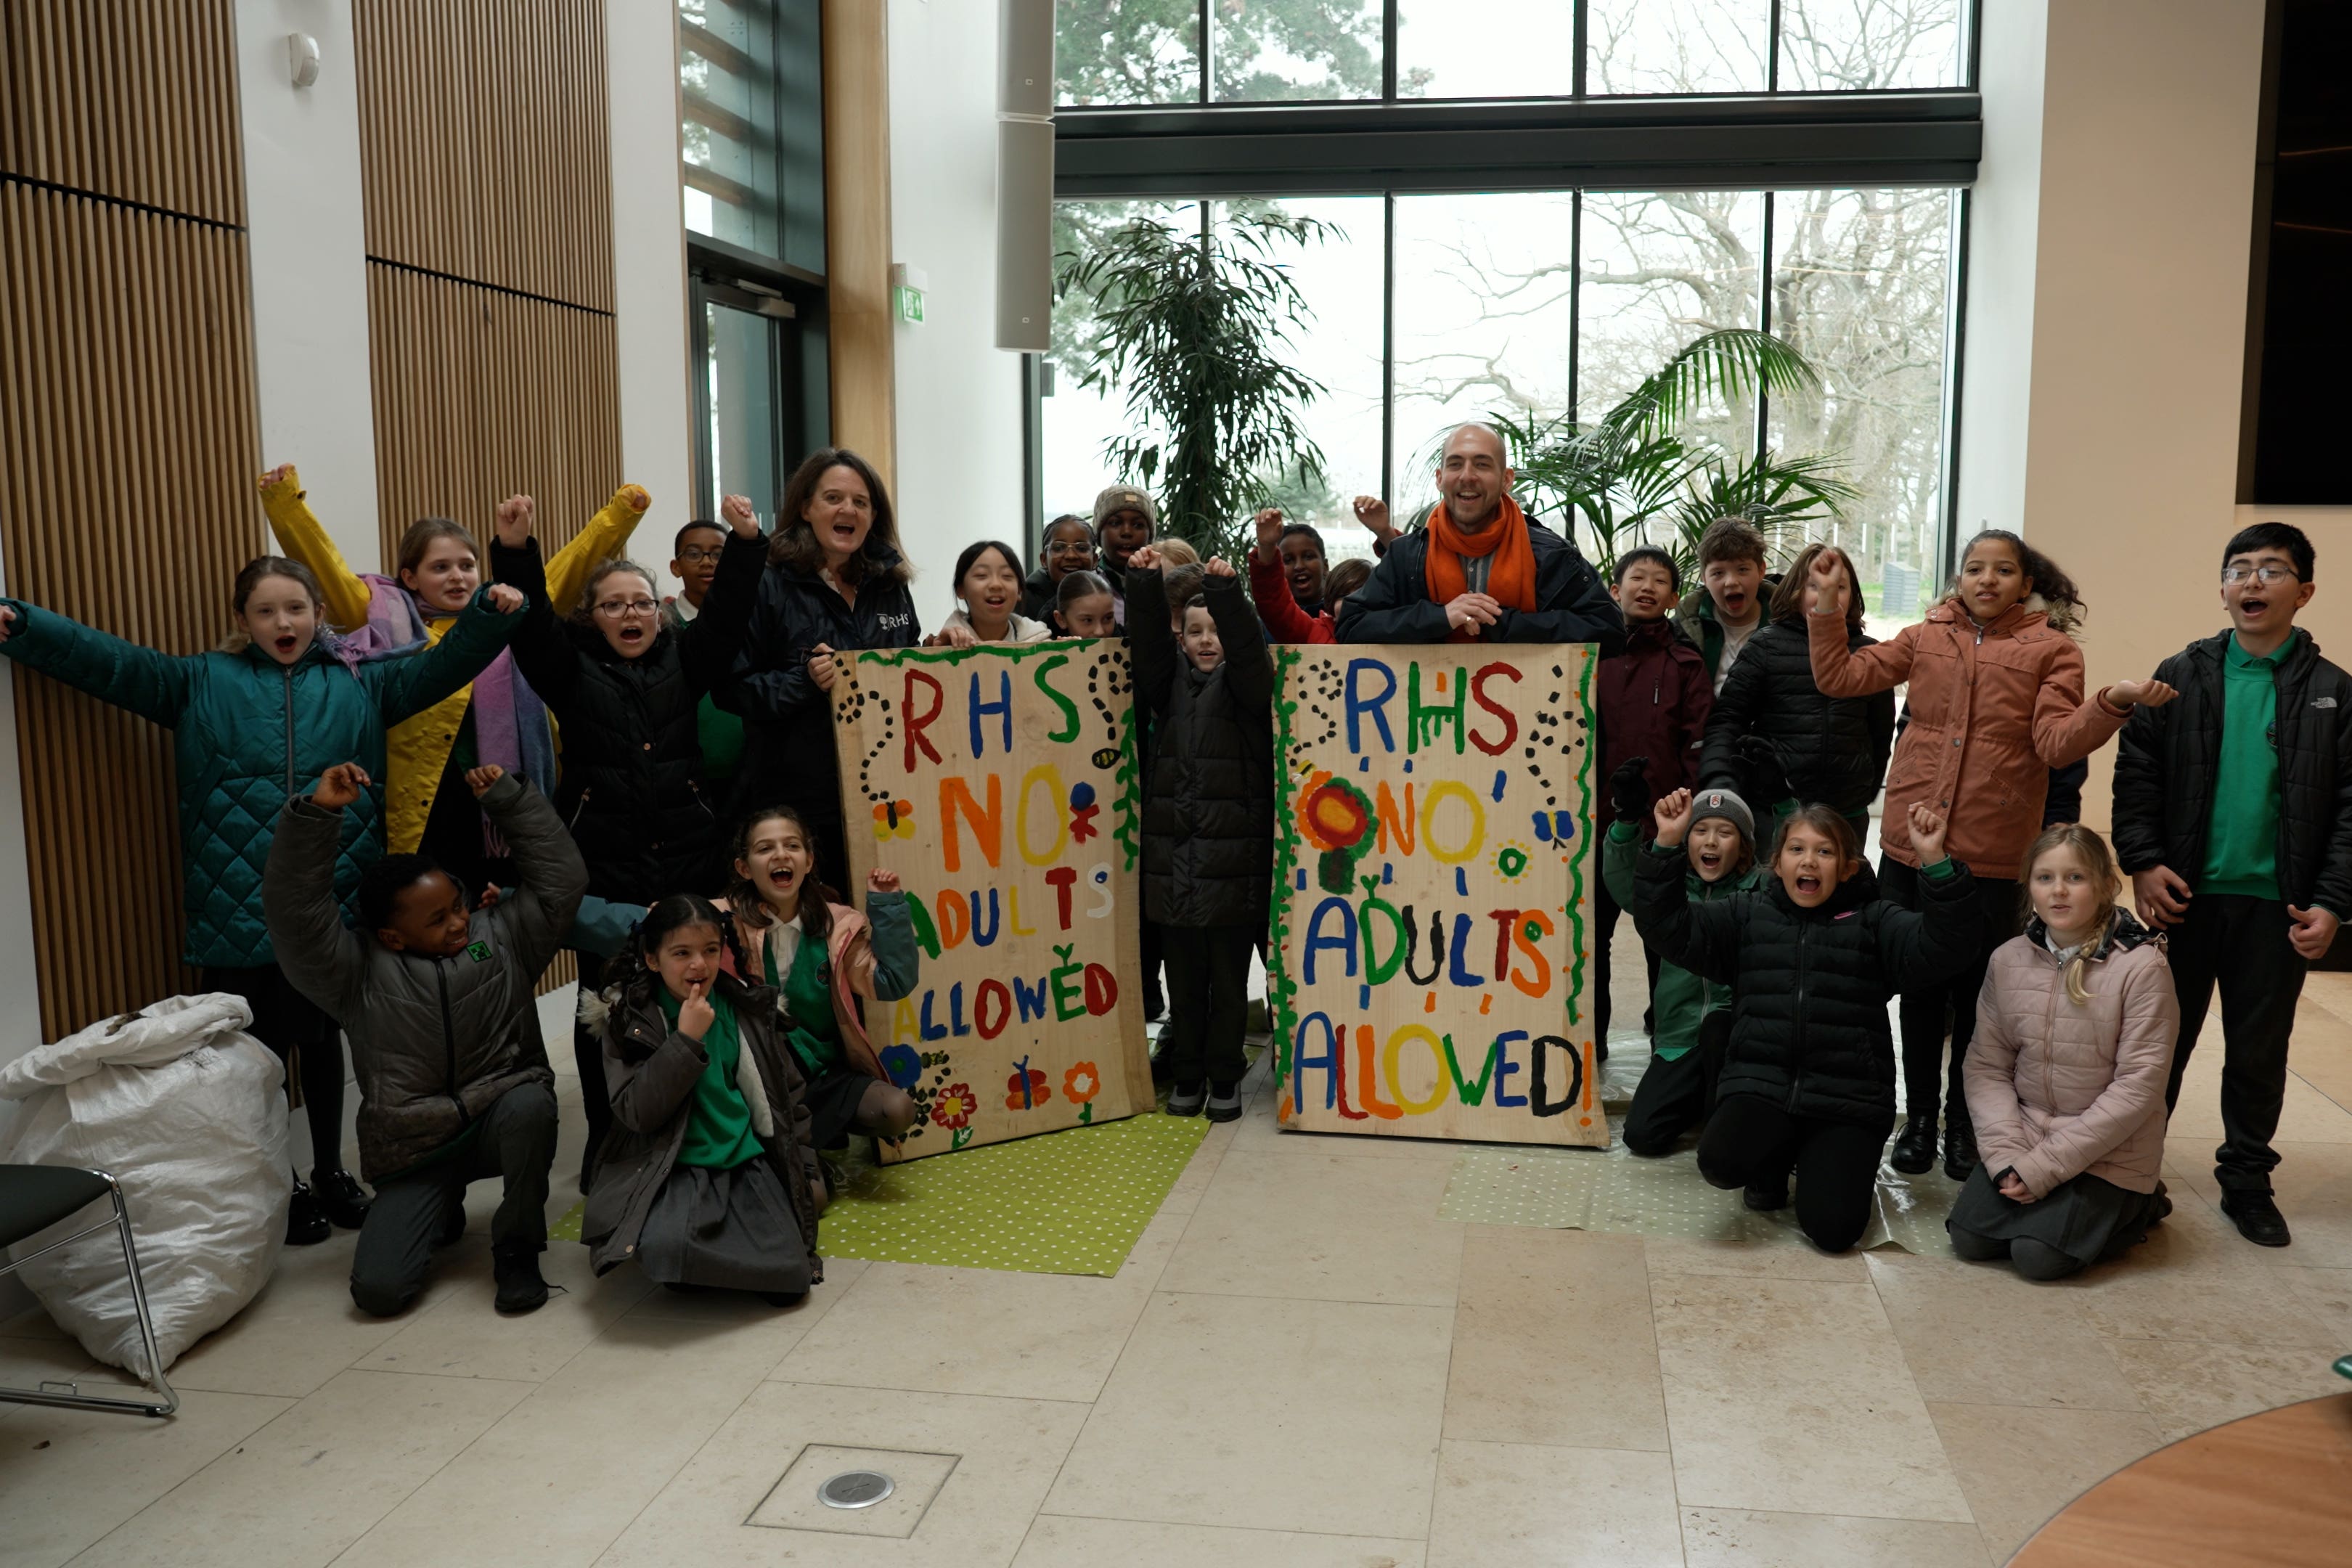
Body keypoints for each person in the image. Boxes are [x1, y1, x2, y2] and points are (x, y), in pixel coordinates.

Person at [0, 555, 522, 1244]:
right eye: (268, 611)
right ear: (241, 621)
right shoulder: (198, 681)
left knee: (328, 1040)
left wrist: (487, 613)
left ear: (319, 615)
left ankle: (333, 1171)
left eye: (297, 609)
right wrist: (22, 627)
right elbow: (112, 664)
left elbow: (443, 667)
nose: (285, 622)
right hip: (235, 900)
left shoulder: (361, 682)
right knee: (253, 1055)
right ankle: (284, 1181)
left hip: (333, 896)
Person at [1805, 534, 2177, 1181]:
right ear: (1960, 577)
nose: (1987, 580)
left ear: (2025, 581)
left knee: (1981, 995)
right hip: (1909, 846)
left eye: (2003, 570)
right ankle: (1917, 1120)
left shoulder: (2052, 650)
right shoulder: (1925, 635)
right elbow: (1839, 676)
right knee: (1917, 989)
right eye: (1975, 569)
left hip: (1994, 852)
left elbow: (2057, 743)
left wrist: (2112, 702)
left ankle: (1965, 1125)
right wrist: (1828, 609)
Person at [494, 494, 767, 1188]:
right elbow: (528, 631)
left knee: (693, 993)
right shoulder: (570, 670)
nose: (630, 615)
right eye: (613, 605)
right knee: (605, 1009)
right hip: (604, 865)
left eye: (641, 602)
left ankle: (695, 1124)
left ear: (660, 608)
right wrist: (517, 552)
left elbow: (730, 613)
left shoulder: (688, 658)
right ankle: (611, 1135)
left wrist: (745, 542)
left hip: (686, 857)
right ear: (593, 617)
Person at [264, 761, 586, 1316]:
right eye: (438, 919)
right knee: (379, 1294)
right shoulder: (355, 974)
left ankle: (517, 1250)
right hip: (416, 1149)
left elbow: (563, 882)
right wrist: (319, 817)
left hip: (499, 1117)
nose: (459, 923)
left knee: (532, 1102)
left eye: (458, 905)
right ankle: (439, 1208)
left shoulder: (500, 939)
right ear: (392, 935)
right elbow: (296, 917)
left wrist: (509, 801)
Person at [2113, 521, 2352, 1248]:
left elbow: (2350, 807)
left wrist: (2334, 901)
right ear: (2221, 590)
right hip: (2182, 900)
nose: (2253, 582)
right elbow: (2137, 779)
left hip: (2276, 908)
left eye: (2273, 570)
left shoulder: (2335, 693)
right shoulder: (2178, 677)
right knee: (2160, 1047)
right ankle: (2133, 1177)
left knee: (2258, 1051)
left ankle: (2246, 1181)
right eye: (2239, 569)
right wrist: (2144, 862)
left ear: (2304, 592)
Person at [258, 465, 648, 895]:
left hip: (500, 800)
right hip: (424, 805)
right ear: (410, 577)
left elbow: (569, 569)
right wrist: (285, 504)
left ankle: (484, 961)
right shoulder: (384, 616)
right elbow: (324, 568)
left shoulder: (504, 611)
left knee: (496, 923)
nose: (457, 577)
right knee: (430, 921)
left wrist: (621, 513)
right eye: (440, 567)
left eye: (467, 565)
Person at [1635, 793, 1978, 1251]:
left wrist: (1935, 861)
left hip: (1846, 1101)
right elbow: (1666, 927)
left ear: (1848, 867)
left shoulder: (1876, 923)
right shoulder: (1747, 914)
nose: (1809, 862)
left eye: (1825, 851)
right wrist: (1665, 845)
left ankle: (1820, 1159)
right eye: (1797, 849)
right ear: (1777, 863)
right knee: (1719, 1162)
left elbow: (1950, 945)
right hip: (1764, 1086)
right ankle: (1773, 1160)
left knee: (1833, 1232)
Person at [1950, 825, 2178, 1280]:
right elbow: (1986, 1066)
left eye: (2075, 878)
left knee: (2038, 1258)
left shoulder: (2142, 967)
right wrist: (2007, 1156)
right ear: (2028, 885)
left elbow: (2138, 1088)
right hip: (2030, 1132)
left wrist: (2047, 1167)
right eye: (2044, 878)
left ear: (2104, 885)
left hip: (2108, 1149)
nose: (2058, 891)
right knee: (1970, 1240)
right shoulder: (2008, 959)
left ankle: (2141, 1202)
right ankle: (2064, 1203)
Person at [579, 894, 824, 1302]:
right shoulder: (630, 1018)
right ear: (653, 959)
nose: (699, 965)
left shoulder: (744, 1006)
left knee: (792, 1279)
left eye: (711, 951)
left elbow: (789, 1094)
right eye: (682, 953)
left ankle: (717, 1257)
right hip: (672, 1166)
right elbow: (636, 1112)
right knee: (666, 1255)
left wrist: (804, 1165)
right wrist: (685, 1040)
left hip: (744, 1162)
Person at [722, 447, 920, 898]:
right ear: (806, 508)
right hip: (798, 801)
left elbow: (904, 677)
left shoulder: (891, 585)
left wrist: (935, 654)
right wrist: (804, 682)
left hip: (887, 794)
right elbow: (732, 690)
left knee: (880, 927)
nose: (847, 509)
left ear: (874, 516)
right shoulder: (768, 580)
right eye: (833, 498)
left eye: (861, 502)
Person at [1127, 547, 1272, 1121]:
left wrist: (1226, 596)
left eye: (1214, 630)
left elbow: (1245, 649)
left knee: (1229, 989)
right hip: (1172, 871)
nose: (1207, 639)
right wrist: (1141, 583)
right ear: (1180, 638)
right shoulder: (1166, 687)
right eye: (1194, 631)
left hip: (1232, 873)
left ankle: (1225, 1075)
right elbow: (1145, 642)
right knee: (1183, 989)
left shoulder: (1247, 689)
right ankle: (1186, 1074)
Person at [712, 805, 923, 1151]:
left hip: (822, 1076)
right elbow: (662, 929)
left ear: (808, 861)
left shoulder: (837, 927)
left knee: (896, 1110)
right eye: (765, 849)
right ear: (744, 868)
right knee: (812, 1199)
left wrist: (887, 908)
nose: (781, 854)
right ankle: (791, 1155)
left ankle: (803, 1146)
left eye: (792, 846)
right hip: (759, 1084)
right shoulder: (720, 919)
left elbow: (892, 981)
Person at [1604, 772, 1784, 1156]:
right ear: (1687, 842)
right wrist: (1626, 822)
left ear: (1745, 846)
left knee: (1719, 1029)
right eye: (1701, 830)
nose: (1712, 841)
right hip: (1678, 1038)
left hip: (1738, 1037)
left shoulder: (1762, 891)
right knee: (1642, 1136)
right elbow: (1623, 881)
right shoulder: (1668, 893)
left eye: (1726, 832)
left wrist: (1784, 804)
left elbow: (1800, 858)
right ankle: (1706, 1099)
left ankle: (1727, 1112)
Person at [1334, 423, 1625, 653]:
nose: (1467, 476)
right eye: (1456, 464)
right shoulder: (1407, 555)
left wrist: (1502, 624)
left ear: (1506, 480)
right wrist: (1440, 618)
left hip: (1526, 716)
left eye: (1482, 464)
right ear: (1440, 478)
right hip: (1429, 717)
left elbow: (1608, 629)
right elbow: (1351, 626)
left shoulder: (1549, 554)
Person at [1593, 547, 1713, 1052]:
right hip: (1592, 824)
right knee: (1590, 941)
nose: (1647, 587)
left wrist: (1685, 818)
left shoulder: (1685, 663)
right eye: (1636, 578)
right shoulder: (1587, 651)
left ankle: (1668, 1046)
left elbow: (1698, 743)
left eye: (1659, 581)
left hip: (1661, 829)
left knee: (1662, 941)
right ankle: (1587, 1043)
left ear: (1674, 596)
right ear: (1615, 590)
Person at [1699, 542, 1895, 837]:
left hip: (1846, 812)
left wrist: (1865, 789)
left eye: (1839, 587)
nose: (1828, 594)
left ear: (1853, 595)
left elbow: (1881, 733)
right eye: (1815, 586)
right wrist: (1722, 782)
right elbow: (1728, 720)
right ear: (1796, 592)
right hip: (1776, 808)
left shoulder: (1870, 653)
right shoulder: (1766, 646)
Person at [663, 515, 751, 813]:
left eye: (718, 554)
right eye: (693, 553)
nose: (707, 562)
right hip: (682, 773)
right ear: (676, 567)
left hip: (746, 770)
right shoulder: (661, 626)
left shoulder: (751, 621)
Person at [1245, 507, 1374, 644]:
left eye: (1360, 595)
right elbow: (1274, 604)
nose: (1299, 566)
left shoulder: (1392, 633)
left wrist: (1384, 533)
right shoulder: (1316, 633)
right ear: (1331, 608)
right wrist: (1266, 548)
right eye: (1342, 597)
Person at [1675, 518, 1773, 694]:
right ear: (1704, 578)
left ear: (1761, 571)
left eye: (1742, 570)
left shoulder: (1786, 622)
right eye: (1718, 573)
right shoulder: (1684, 629)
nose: (1731, 582)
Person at [927, 540, 1053, 645]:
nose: (996, 585)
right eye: (982, 576)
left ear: (1019, 590)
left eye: (1006, 576)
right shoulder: (947, 643)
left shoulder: (1039, 642)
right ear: (961, 590)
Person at [1021, 514, 1098, 621]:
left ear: (1094, 560)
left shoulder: (1103, 596)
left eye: (1081, 548)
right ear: (1044, 560)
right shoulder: (1026, 602)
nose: (1071, 556)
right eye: (1059, 548)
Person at [1051, 570, 1121, 639]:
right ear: (1061, 620)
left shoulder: (1127, 646)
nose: (1100, 632)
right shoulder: (1042, 646)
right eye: (1087, 620)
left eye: (1108, 618)